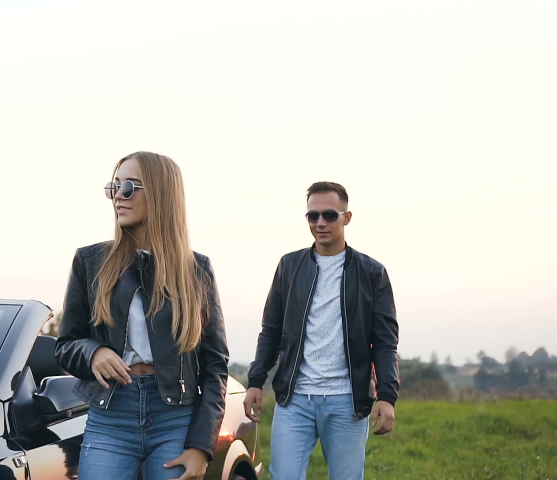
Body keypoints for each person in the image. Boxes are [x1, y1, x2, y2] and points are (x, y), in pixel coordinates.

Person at [56, 152, 229, 480]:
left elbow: (214, 365)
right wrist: (94, 352)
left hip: (176, 418)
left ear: (162, 194)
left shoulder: (196, 270)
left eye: (129, 187)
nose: (118, 197)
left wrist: (201, 445)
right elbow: (65, 344)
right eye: (114, 187)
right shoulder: (90, 261)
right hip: (111, 415)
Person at [243, 181, 399, 480]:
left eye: (329, 215)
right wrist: (255, 381)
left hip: (347, 402)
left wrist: (387, 396)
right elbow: (271, 331)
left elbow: (385, 342)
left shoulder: (371, 272)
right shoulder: (289, 266)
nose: (320, 223)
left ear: (347, 217)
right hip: (295, 399)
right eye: (312, 216)